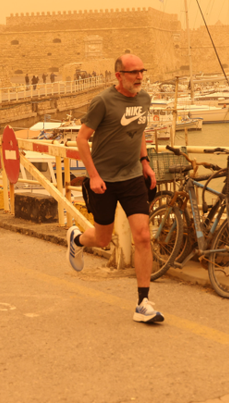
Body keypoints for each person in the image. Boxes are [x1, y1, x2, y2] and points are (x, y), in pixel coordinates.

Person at [68, 53, 162, 324]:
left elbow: (139, 130)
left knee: (143, 237)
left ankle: (142, 303)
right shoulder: (103, 101)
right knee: (102, 239)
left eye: (142, 71)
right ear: (119, 75)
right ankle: (77, 239)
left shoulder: (144, 98)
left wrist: (145, 162)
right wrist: (94, 176)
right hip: (104, 181)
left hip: (132, 177)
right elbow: (82, 139)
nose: (140, 77)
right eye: (134, 72)